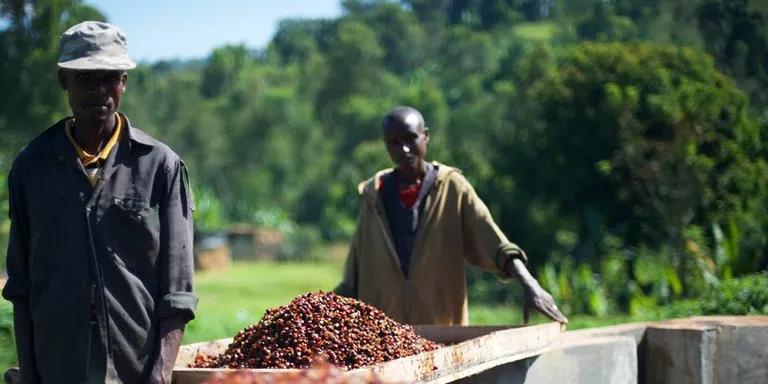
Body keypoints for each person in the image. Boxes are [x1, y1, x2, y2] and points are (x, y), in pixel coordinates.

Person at [2, 21, 196, 383]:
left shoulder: (159, 166)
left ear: (124, 81)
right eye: (84, 78)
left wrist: (160, 374)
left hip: (133, 368)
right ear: (64, 80)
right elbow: (21, 288)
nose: (98, 90)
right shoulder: (31, 167)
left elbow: (178, 290)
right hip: (56, 365)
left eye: (108, 78)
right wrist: (29, 374)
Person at [335, 106, 567, 326]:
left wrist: (530, 284)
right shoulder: (373, 194)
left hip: (443, 333)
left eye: (410, 138)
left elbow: (494, 243)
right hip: (385, 339)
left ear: (425, 136)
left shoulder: (452, 188)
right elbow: (355, 270)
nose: (403, 149)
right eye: (394, 143)